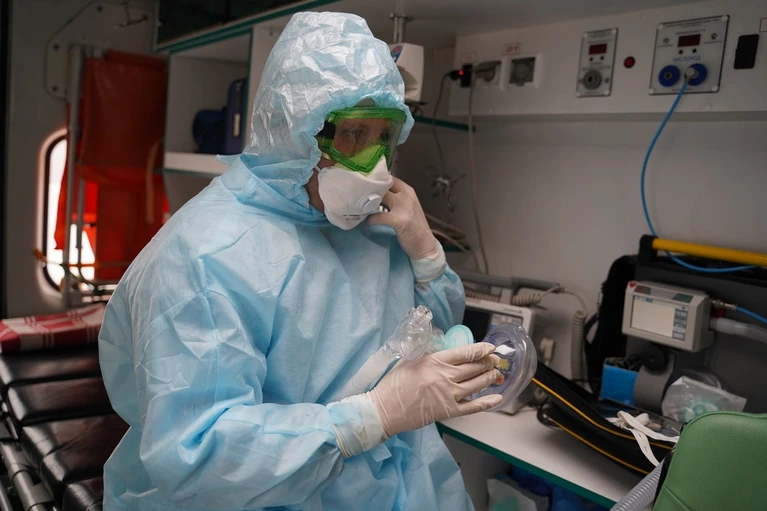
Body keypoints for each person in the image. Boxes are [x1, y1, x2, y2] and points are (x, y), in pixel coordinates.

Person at [99, 11, 502, 511]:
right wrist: (374, 417)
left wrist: (427, 255)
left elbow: (427, 335)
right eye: (353, 135)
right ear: (295, 132)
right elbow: (199, 454)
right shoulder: (207, 255)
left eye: (384, 137)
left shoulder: (371, 229)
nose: (374, 167)